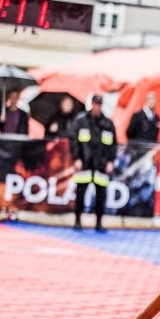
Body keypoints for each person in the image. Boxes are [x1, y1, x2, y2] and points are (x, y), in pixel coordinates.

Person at [70, 95, 117, 233]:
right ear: (91, 104)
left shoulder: (108, 123)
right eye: (95, 104)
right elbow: (74, 141)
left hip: (101, 165)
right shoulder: (81, 121)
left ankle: (99, 223)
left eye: (99, 104)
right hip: (85, 163)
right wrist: (77, 158)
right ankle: (78, 221)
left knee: (101, 196)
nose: (97, 107)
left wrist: (110, 161)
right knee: (80, 194)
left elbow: (113, 145)